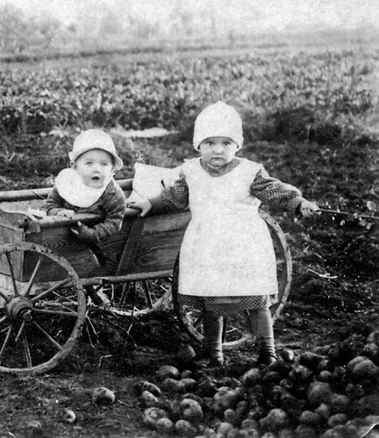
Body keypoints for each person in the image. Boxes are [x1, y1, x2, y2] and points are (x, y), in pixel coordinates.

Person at [135, 101, 320, 366]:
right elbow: (174, 197)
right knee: (213, 298)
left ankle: (267, 351)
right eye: (209, 143)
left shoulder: (249, 171)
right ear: (198, 145)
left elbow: (274, 190)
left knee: (256, 298)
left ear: (237, 145)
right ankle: (214, 352)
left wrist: (299, 203)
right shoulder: (191, 172)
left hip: (243, 245)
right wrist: (150, 203)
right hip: (207, 246)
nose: (218, 149)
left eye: (225, 143)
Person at [43, 129, 127, 261]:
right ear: (75, 166)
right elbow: (50, 204)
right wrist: (58, 212)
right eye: (89, 163)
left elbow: (114, 222)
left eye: (104, 164)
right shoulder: (67, 184)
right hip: (59, 242)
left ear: (112, 169)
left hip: (96, 247)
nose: (97, 169)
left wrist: (92, 234)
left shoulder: (113, 194)